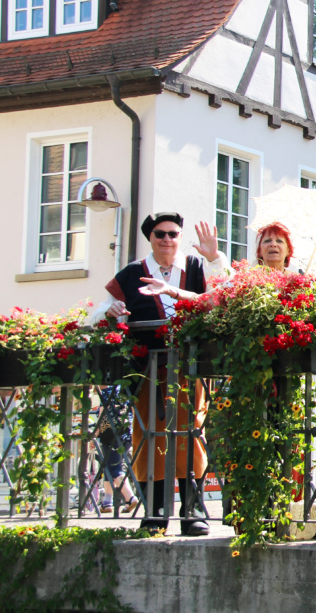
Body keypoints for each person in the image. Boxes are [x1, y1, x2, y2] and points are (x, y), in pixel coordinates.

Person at [92, 212, 230, 535]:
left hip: (189, 368)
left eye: (173, 233)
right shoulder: (131, 274)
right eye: (160, 234)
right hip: (147, 371)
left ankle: (191, 510)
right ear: (150, 238)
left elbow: (221, 295)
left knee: (191, 434)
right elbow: (97, 313)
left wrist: (215, 257)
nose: (167, 239)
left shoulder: (196, 268)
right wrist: (109, 311)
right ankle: (154, 511)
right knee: (148, 436)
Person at [95, 385, 140, 514]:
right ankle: (107, 502)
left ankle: (130, 497)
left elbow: (103, 414)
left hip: (110, 435)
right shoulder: (123, 389)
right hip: (126, 434)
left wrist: (95, 432)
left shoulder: (106, 392)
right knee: (109, 466)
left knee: (114, 469)